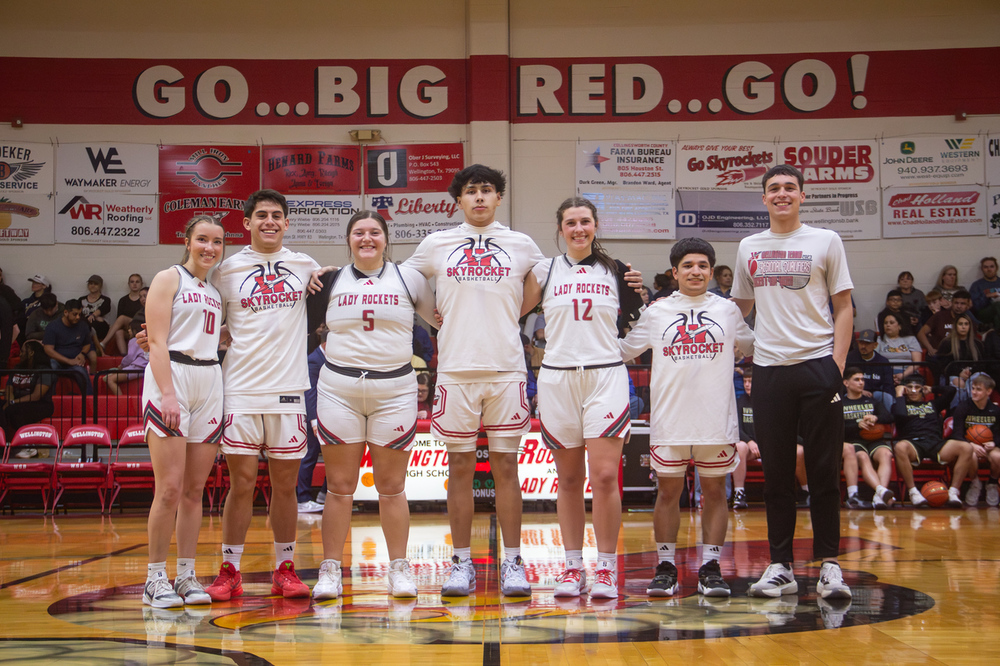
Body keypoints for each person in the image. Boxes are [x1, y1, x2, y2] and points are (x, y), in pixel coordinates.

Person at [403, 164, 545, 598]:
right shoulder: (436, 243)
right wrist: (433, 317)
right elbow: (407, 280)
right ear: (458, 201)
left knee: (506, 466)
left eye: (486, 190)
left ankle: (514, 562)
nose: (479, 197)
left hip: (506, 369)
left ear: (498, 198)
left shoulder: (521, 244)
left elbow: (543, 283)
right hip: (456, 371)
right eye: (470, 191)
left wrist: (514, 314)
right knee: (459, 467)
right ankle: (461, 562)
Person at [731, 164, 854, 601]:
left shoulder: (826, 241)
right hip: (768, 371)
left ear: (802, 195)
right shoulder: (749, 246)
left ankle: (829, 566)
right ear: (763, 199)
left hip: (818, 367)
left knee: (823, 471)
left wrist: (836, 366)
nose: (781, 194)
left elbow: (844, 306)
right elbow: (739, 309)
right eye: (773, 189)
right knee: (778, 474)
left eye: (789, 188)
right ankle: (780, 565)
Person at [307, 210, 436, 600]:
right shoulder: (327, 280)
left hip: (394, 390)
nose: (367, 238)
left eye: (375, 232)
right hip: (339, 388)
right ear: (348, 239)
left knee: (392, 487)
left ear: (386, 239)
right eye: (359, 232)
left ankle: (399, 568)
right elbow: (295, 328)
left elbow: (445, 319)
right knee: (340, 487)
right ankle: (330, 570)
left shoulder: (409, 278)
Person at [202, 190, 320, 601]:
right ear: (247, 223)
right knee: (242, 484)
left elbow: (334, 290)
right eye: (261, 216)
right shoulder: (225, 271)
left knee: (286, 487)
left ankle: (284, 569)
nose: (269, 221)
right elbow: (204, 319)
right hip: (242, 391)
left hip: (289, 391)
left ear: (287, 223)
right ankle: (229, 570)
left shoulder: (306, 267)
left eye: (276, 216)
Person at [620, 237, 753, 598]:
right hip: (671, 420)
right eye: (688, 266)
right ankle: (666, 567)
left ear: (711, 271)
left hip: (715, 420)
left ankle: (711, 567)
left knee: (715, 493)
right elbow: (622, 350)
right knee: (667, 492)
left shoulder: (728, 311)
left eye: (703, 266)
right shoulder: (657, 311)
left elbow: (757, 348)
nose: (696, 271)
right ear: (674, 272)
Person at [526, 196, 642, 599]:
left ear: (596, 226)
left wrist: (614, 354)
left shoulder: (621, 272)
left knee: (606, 476)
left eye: (585, 222)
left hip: (604, 378)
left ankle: (606, 568)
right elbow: (507, 308)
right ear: (560, 229)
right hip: (557, 379)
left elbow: (639, 328)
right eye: (570, 223)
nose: (578, 229)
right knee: (570, 478)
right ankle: (573, 567)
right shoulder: (544, 271)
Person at [139, 215, 226, 609]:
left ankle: (186, 574)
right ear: (187, 241)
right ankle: (155, 578)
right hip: (171, 377)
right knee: (170, 488)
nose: (210, 247)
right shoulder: (168, 277)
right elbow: (155, 342)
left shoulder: (215, 291)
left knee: (195, 491)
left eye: (218, 242)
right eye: (203, 239)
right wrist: (168, 394)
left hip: (210, 378)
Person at [892, 374, 971, 508]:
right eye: (909, 387)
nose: (913, 390)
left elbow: (951, 391)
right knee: (900, 447)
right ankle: (913, 492)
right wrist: (899, 394)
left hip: (936, 443)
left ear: (922, 390)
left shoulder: (933, 404)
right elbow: (899, 415)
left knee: (966, 448)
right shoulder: (899, 406)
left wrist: (932, 389)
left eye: (917, 387)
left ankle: (953, 492)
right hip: (913, 443)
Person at [840, 367, 894, 509]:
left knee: (886, 454)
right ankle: (881, 491)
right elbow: (837, 428)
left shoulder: (872, 402)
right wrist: (857, 424)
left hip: (874, 440)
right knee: (863, 457)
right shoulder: (841, 404)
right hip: (854, 441)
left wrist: (875, 417)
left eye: (862, 379)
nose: (861, 383)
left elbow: (889, 417)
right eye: (856, 379)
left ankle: (879, 497)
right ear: (846, 383)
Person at [952, 373, 999, 506]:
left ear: (988, 391)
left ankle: (992, 483)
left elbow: (999, 434)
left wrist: (994, 442)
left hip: (988, 446)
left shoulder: (995, 410)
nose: (974, 392)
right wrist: (971, 444)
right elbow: (956, 433)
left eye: (978, 389)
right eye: (973, 388)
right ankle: (975, 483)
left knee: (998, 457)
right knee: (970, 455)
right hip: (969, 445)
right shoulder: (963, 407)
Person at [0, 340, 54, 451]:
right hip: (16, 401)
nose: (20, 354)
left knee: (13, 410)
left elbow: (36, 396)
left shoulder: (44, 370)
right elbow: (9, 387)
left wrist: (13, 402)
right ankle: (3, 443)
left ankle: (18, 445)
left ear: (31, 353)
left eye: (23, 351)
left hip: (40, 404)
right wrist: (10, 400)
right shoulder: (18, 368)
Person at [296, 326, 327, 514]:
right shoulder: (313, 360)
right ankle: (302, 499)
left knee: (335, 457)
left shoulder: (331, 360)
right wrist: (314, 421)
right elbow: (310, 393)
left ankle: (324, 495)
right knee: (309, 457)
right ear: (326, 343)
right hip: (314, 418)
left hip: (330, 415)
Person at [42, 298, 93, 395]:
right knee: (51, 368)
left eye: (79, 314)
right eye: (75, 314)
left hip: (75, 360)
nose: (78, 317)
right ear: (66, 312)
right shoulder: (53, 326)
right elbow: (48, 350)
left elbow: (87, 344)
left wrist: (82, 354)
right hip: (57, 360)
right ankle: (50, 400)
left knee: (81, 372)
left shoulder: (83, 326)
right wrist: (69, 361)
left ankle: (89, 401)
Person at [845, 329, 895, 410]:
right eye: (861, 343)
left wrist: (874, 394)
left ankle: (890, 421)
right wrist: (860, 391)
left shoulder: (883, 362)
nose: (863, 346)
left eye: (867, 343)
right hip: (854, 392)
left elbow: (888, 386)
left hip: (876, 394)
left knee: (887, 397)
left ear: (875, 345)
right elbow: (844, 381)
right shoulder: (850, 358)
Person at [918, 289, 974, 355]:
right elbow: (921, 333)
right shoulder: (939, 316)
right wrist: (930, 349)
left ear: (968, 306)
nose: (959, 306)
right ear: (952, 303)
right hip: (940, 356)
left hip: (961, 356)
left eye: (963, 304)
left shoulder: (969, 320)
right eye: (956, 303)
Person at [732, 368, 758, 510]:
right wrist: (750, 442)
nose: (747, 385)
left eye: (750, 382)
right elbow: (737, 428)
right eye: (745, 381)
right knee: (739, 446)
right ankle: (739, 493)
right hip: (749, 447)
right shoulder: (740, 401)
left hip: (764, 445)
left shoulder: (765, 401)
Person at [104, 317, 149, 396]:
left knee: (110, 379)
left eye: (129, 329)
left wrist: (121, 366)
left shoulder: (133, 341)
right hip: (146, 367)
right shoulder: (147, 340)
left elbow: (130, 358)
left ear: (135, 330)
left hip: (137, 368)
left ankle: (121, 400)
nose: (128, 331)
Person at [102, 273, 145, 354]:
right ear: (129, 284)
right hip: (128, 329)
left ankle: (104, 343)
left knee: (122, 318)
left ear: (141, 284)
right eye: (132, 282)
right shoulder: (123, 300)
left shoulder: (143, 300)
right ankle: (124, 357)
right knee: (118, 332)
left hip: (140, 326)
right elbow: (118, 321)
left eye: (137, 282)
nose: (134, 284)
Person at [876, 312, 922, 382]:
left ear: (900, 326)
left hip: (907, 373)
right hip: (885, 373)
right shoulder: (879, 340)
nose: (888, 325)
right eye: (886, 323)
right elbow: (874, 360)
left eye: (891, 323)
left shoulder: (910, 339)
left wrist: (903, 375)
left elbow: (916, 362)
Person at [79, 274, 112, 352]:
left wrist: (93, 315)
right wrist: (93, 317)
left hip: (100, 326)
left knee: (94, 323)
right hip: (85, 323)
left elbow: (104, 309)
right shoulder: (81, 299)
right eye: (91, 284)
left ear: (100, 286)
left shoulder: (105, 299)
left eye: (95, 284)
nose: (93, 286)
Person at [970, 257, 1000, 330]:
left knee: (997, 318)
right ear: (982, 269)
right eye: (986, 267)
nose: (989, 269)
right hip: (983, 313)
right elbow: (975, 307)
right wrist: (986, 296)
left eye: (992, 266)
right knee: (998, 305)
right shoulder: (977, 285)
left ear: (996, 268)